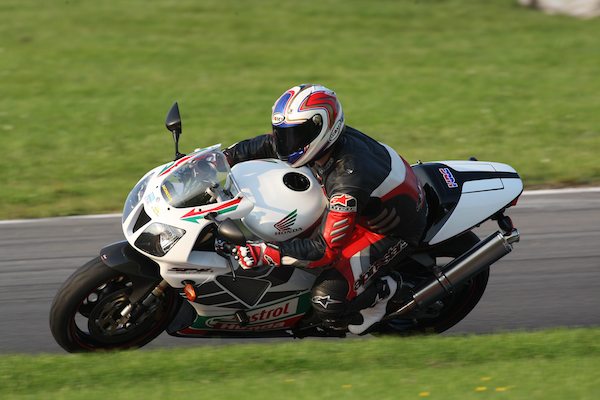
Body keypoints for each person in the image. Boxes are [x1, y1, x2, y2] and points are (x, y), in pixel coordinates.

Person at [222, 84, 428, 334]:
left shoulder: (347, 181)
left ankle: (389, 290)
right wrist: (222, 158)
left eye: (295, 135)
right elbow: (267, 144)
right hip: (373, 201)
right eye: (284, 134)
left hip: (386, 230)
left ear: (322, 128)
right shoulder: (319, 144)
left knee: (327, 300)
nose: (286, 143)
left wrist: (266, 252)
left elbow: (324, 250)